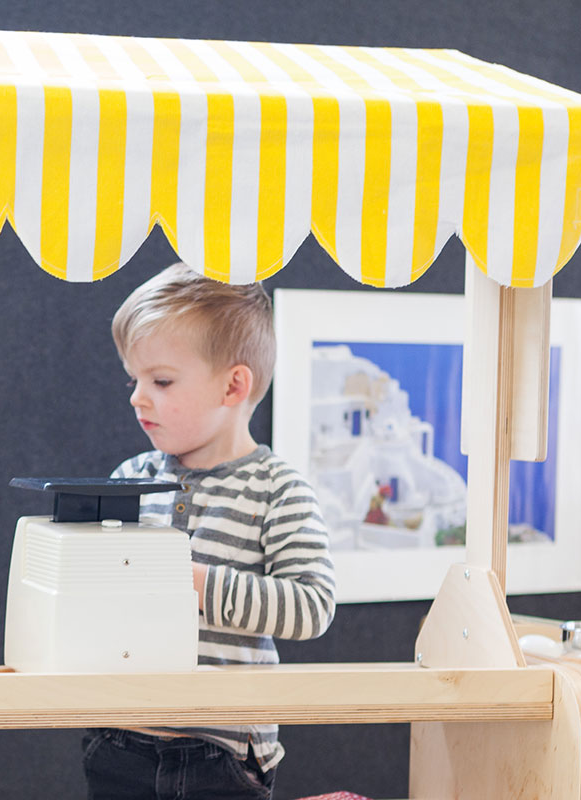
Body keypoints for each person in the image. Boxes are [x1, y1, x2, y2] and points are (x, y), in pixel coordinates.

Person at [86, 263, 336, 800]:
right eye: (134, 380)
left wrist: (190, 580)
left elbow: (313, 605)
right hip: (119, 737)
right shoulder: (130, 479)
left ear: (234, 385)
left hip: (221, 752)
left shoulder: (277, 488)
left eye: (161, 381)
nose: (137, 397)